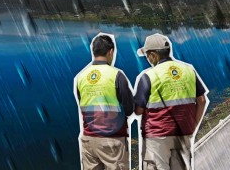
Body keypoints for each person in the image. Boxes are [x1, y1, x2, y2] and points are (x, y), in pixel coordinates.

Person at [134, 33, 208, 170]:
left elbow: (138, 111)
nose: (148, 59)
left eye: (147, 55)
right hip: (183, 134)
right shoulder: (189, 70)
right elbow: (202, 100)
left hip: (157, 138)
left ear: (154, 55)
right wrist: (194, 125)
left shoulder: (148, 76)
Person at [74, 33, 134, 170]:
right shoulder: (117, 75)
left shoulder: (81, 77)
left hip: (89, 140)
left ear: (93, 52)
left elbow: (82, 105)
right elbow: (130, 109)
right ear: (111, 52)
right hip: (112, 141)